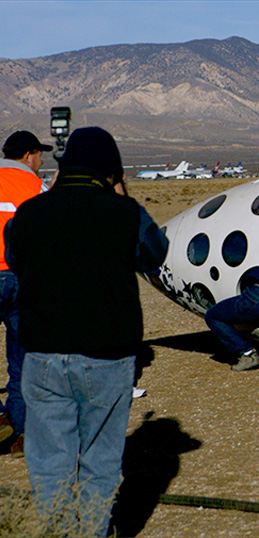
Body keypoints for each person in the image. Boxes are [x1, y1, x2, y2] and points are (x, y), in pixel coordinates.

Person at [6, 126, 168, 536]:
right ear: (110, 171)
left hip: (42, 357)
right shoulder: (125, 213)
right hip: (107, 357)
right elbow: (155, 254)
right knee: (100, 461)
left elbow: (16, 258)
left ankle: (60, 532)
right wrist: (123, 194)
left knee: (50, 462)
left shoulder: (31, 212)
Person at [0, 131, 51, 457]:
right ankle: (20, 433)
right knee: (21, 360)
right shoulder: (37, 187)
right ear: (29, 155)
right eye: (40, 155)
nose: (41, 161)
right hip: (23, 277)